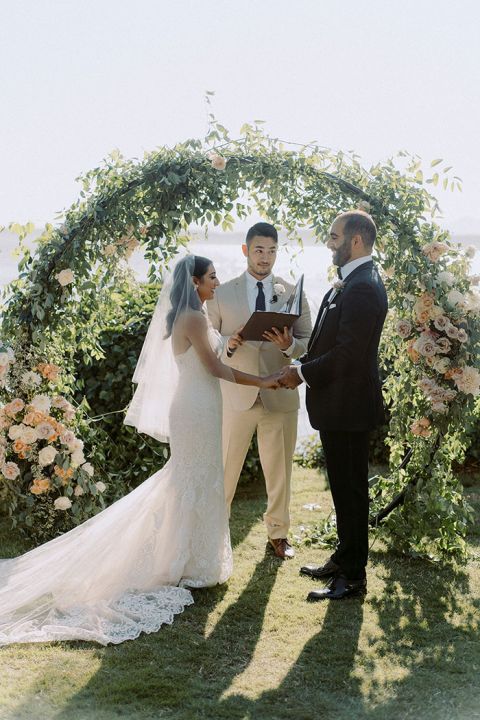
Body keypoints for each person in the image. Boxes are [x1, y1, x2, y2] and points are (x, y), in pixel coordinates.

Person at [0, 255, 279, 646]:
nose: (217, 283)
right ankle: (187, 563)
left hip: (200, 403)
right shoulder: (194, 318)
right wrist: (265, 382)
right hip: (196, 406)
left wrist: (230, 347)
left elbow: (213, 360)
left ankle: (191, 559)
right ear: (195, 281)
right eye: (212, 277)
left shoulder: (192, 314)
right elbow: (214, 370)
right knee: (191, 478)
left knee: (193, 478)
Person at [278, 211, 388, 599]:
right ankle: (343, 558)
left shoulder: (362, 287)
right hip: (339, 405)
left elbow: (348, 356)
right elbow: (332, 342)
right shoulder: (353, 281)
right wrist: (298, 356)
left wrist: (301, 373)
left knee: (352, 490)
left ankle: (354, 577)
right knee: (343, 488)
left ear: (355, 240)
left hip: (349, 406)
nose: (329, 242)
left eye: (334, 236)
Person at [207, 222, 312, 559]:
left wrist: (289, 345)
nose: (265, 257)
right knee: (224, 468)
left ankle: (279, 534)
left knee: (280, 470)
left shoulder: (293, 292)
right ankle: (214, 532)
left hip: (280, 394)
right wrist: (229, 342)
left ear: (276, 252)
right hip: (236, 395)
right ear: (246, 251)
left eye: (271, 251)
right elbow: (208, 341)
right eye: (258, 250)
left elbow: (310, 343)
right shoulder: (222, 294)